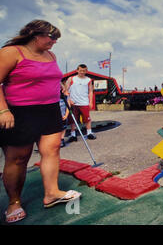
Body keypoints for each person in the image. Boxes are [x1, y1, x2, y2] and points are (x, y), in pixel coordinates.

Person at [0, 20, 82, 223]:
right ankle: (14, 202)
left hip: (50, 109)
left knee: (52, 149)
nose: (55, 42)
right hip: (19, 111)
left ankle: (52, 193)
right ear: (35, 35)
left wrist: (62, 88)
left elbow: (52, 77)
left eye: (57, 38)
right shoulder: (12, 52)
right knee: (18, 158)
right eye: (52, 37)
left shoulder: (50, 55)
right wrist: (3, 110)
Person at [66, 64, 96, 141]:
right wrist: (69, 100)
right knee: (73, 120)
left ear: (86, 71)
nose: (82, 72)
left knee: (87, 119)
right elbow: (65, 91)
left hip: (84, 102)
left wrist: (91, 102)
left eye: (84, 71)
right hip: (74, 103)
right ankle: (73, 135)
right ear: (77, 70)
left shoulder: (88, 80)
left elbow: (90, 91)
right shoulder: (71, 79)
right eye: (81, 70)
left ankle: (89, 133)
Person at [59, 82, 70, 148]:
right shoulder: (52, 97)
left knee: (63, 127)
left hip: (63, 115)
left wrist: (66, 115)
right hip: (54, 116)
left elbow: (68, 106)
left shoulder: (65, 96)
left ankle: (62, 139)